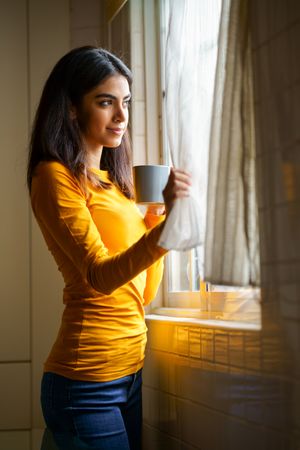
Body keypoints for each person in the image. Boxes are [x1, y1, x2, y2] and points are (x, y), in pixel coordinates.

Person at [27, 46, 191, 450]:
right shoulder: (54, 176)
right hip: (84, 384)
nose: (122, 117)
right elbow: (100, 277)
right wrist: (167, 229)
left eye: (126, 103)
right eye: (106, 102)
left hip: (130, 372)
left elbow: (143, 293)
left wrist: (156, 219)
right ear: (70, 108)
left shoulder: (115, 186)